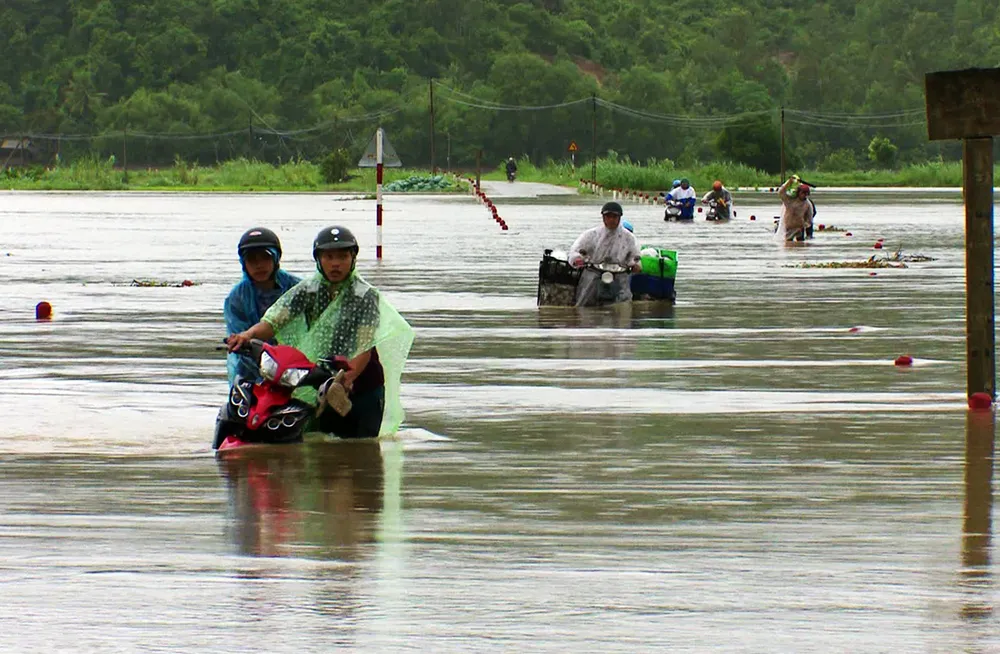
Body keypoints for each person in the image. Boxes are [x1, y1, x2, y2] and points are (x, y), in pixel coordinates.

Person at [227, 226, 414, 439]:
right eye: (329, 256)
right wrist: (247, 335)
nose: (336, 263)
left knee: (363, 452)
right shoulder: (308, 290)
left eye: (343, 256)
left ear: (353, 259)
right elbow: (274, 321)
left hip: (362, 384)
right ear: (318, 260)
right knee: (319, 449)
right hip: (322, 380)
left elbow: (365, 344)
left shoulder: (365, 295)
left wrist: (347, 378)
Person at [224, 227, 301, 383]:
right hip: (250, 370)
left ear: (276, 258)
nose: (259, 265)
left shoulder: (298, 289)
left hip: (296, 365)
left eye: (265, 258)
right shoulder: (236, 298)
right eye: (252, 260)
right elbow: (239, 337)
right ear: (244, 263)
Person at [568, 201, 642, 307]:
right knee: (584, 303)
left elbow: (635, 256)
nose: (611, 219)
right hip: (594, 272)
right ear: (603, 217)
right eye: (608, 216)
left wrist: (636, 265)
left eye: (614, 216)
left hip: (619, 274)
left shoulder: (629, 238)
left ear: (619, 218)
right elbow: (576, 250)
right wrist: (577, 259)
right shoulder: (591, 235)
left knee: (624, 305)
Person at [777, 175, 814, 241]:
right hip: (789, 227)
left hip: (799, 228)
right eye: (803, 193)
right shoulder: (789, 200)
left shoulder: (807, 204)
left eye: (806, 194)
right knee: (788, 244)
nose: (804, 195)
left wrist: (805, 224)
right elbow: (781, 192)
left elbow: (810, 217)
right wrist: (789, 182)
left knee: (800, 245)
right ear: (798, 192)